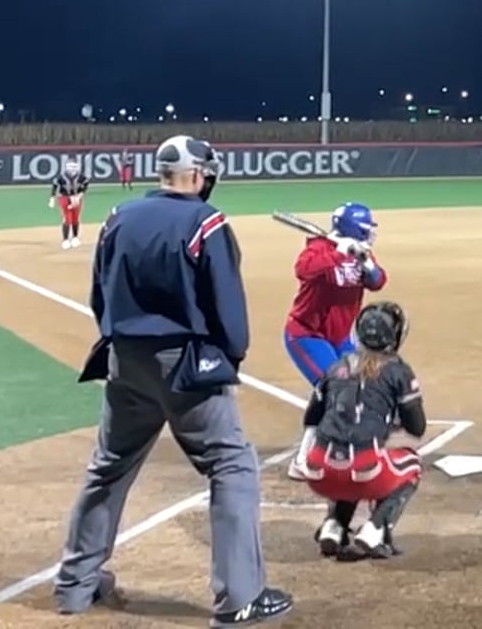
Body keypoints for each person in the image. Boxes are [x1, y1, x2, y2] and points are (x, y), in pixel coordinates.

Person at [52, 134, 293, 626]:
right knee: (231, 465)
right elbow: (227, 307)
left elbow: (99, 294)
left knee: (109, 466)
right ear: (199, 174)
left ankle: (75, 586)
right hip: (185, 364)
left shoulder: (119, 216)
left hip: (124, 360)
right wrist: (228, 358)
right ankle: (240, 598)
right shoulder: (206, 222)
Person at [298, 302, 424, 562]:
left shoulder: (335, 366)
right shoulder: (398, 371)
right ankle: (375, 530)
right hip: (365, 471)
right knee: (411, 465)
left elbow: (311, 417)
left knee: (347, 457)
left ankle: (335, 525)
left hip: (318, 469)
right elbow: (417, 427)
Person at [284, 202, 390, 480]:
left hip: (340, 337)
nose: (371, 233)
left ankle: (343, 448)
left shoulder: (361, 251)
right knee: (333, 389)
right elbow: (303, 269)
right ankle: (303, 459)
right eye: (366, 228)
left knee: (358, 389)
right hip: (307, 334)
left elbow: (378, 281)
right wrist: (338, 253)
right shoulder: (319, 248)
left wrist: (366, 263)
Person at [51, 157, 91, 249]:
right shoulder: (61, 177)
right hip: (64, 197)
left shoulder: (81, 177)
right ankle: (65, 240)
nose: (72, 169)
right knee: (67, 218)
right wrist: (52, 198)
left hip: (76, 198)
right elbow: (54, 186)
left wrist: (80, 194)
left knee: (75, 218)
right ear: (66, 167)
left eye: (74, 166)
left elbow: (86, 184)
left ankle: (75, 238)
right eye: (70, 166)